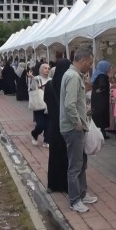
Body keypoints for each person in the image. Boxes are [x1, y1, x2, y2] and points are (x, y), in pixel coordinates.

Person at [59, 49, 97, 212]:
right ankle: (75, 200)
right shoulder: (73, 77)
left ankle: (81, 194)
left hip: (75, 126)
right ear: (82, 61)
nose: (90, 66)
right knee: (75, 166)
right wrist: (77, 122)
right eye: (89, 63)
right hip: (73, 128)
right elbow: (69, 104)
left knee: (81, 163)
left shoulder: (73, 75)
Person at [44, 58, 71, 193]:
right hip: (67, 124)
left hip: (53, 125)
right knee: (67, 155)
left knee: (54, 155)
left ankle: (52, 184)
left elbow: (45, 100)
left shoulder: (49, 85)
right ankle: (66, 184)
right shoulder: (68, 85)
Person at [91, 60, 112, 140]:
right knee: (101, 116)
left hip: (97, 99)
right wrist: (101, 90)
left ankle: (101, 133)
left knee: (98, 116)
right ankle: (100, 134)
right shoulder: (102, 75)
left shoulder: (97, 74)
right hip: (101, 100)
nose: (110, 69)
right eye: (109, 67)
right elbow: (102, 85)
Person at [30, 63, 51, 147]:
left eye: (48, 68)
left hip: (49, 104)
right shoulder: (37, 79)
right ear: (41, 69)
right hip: (39, 105)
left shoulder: (51, 79)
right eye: (45, 68)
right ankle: (34, 133)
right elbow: (32, 89)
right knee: (41, 124)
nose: (47, 70)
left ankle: (47, 140)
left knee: (49, 124)